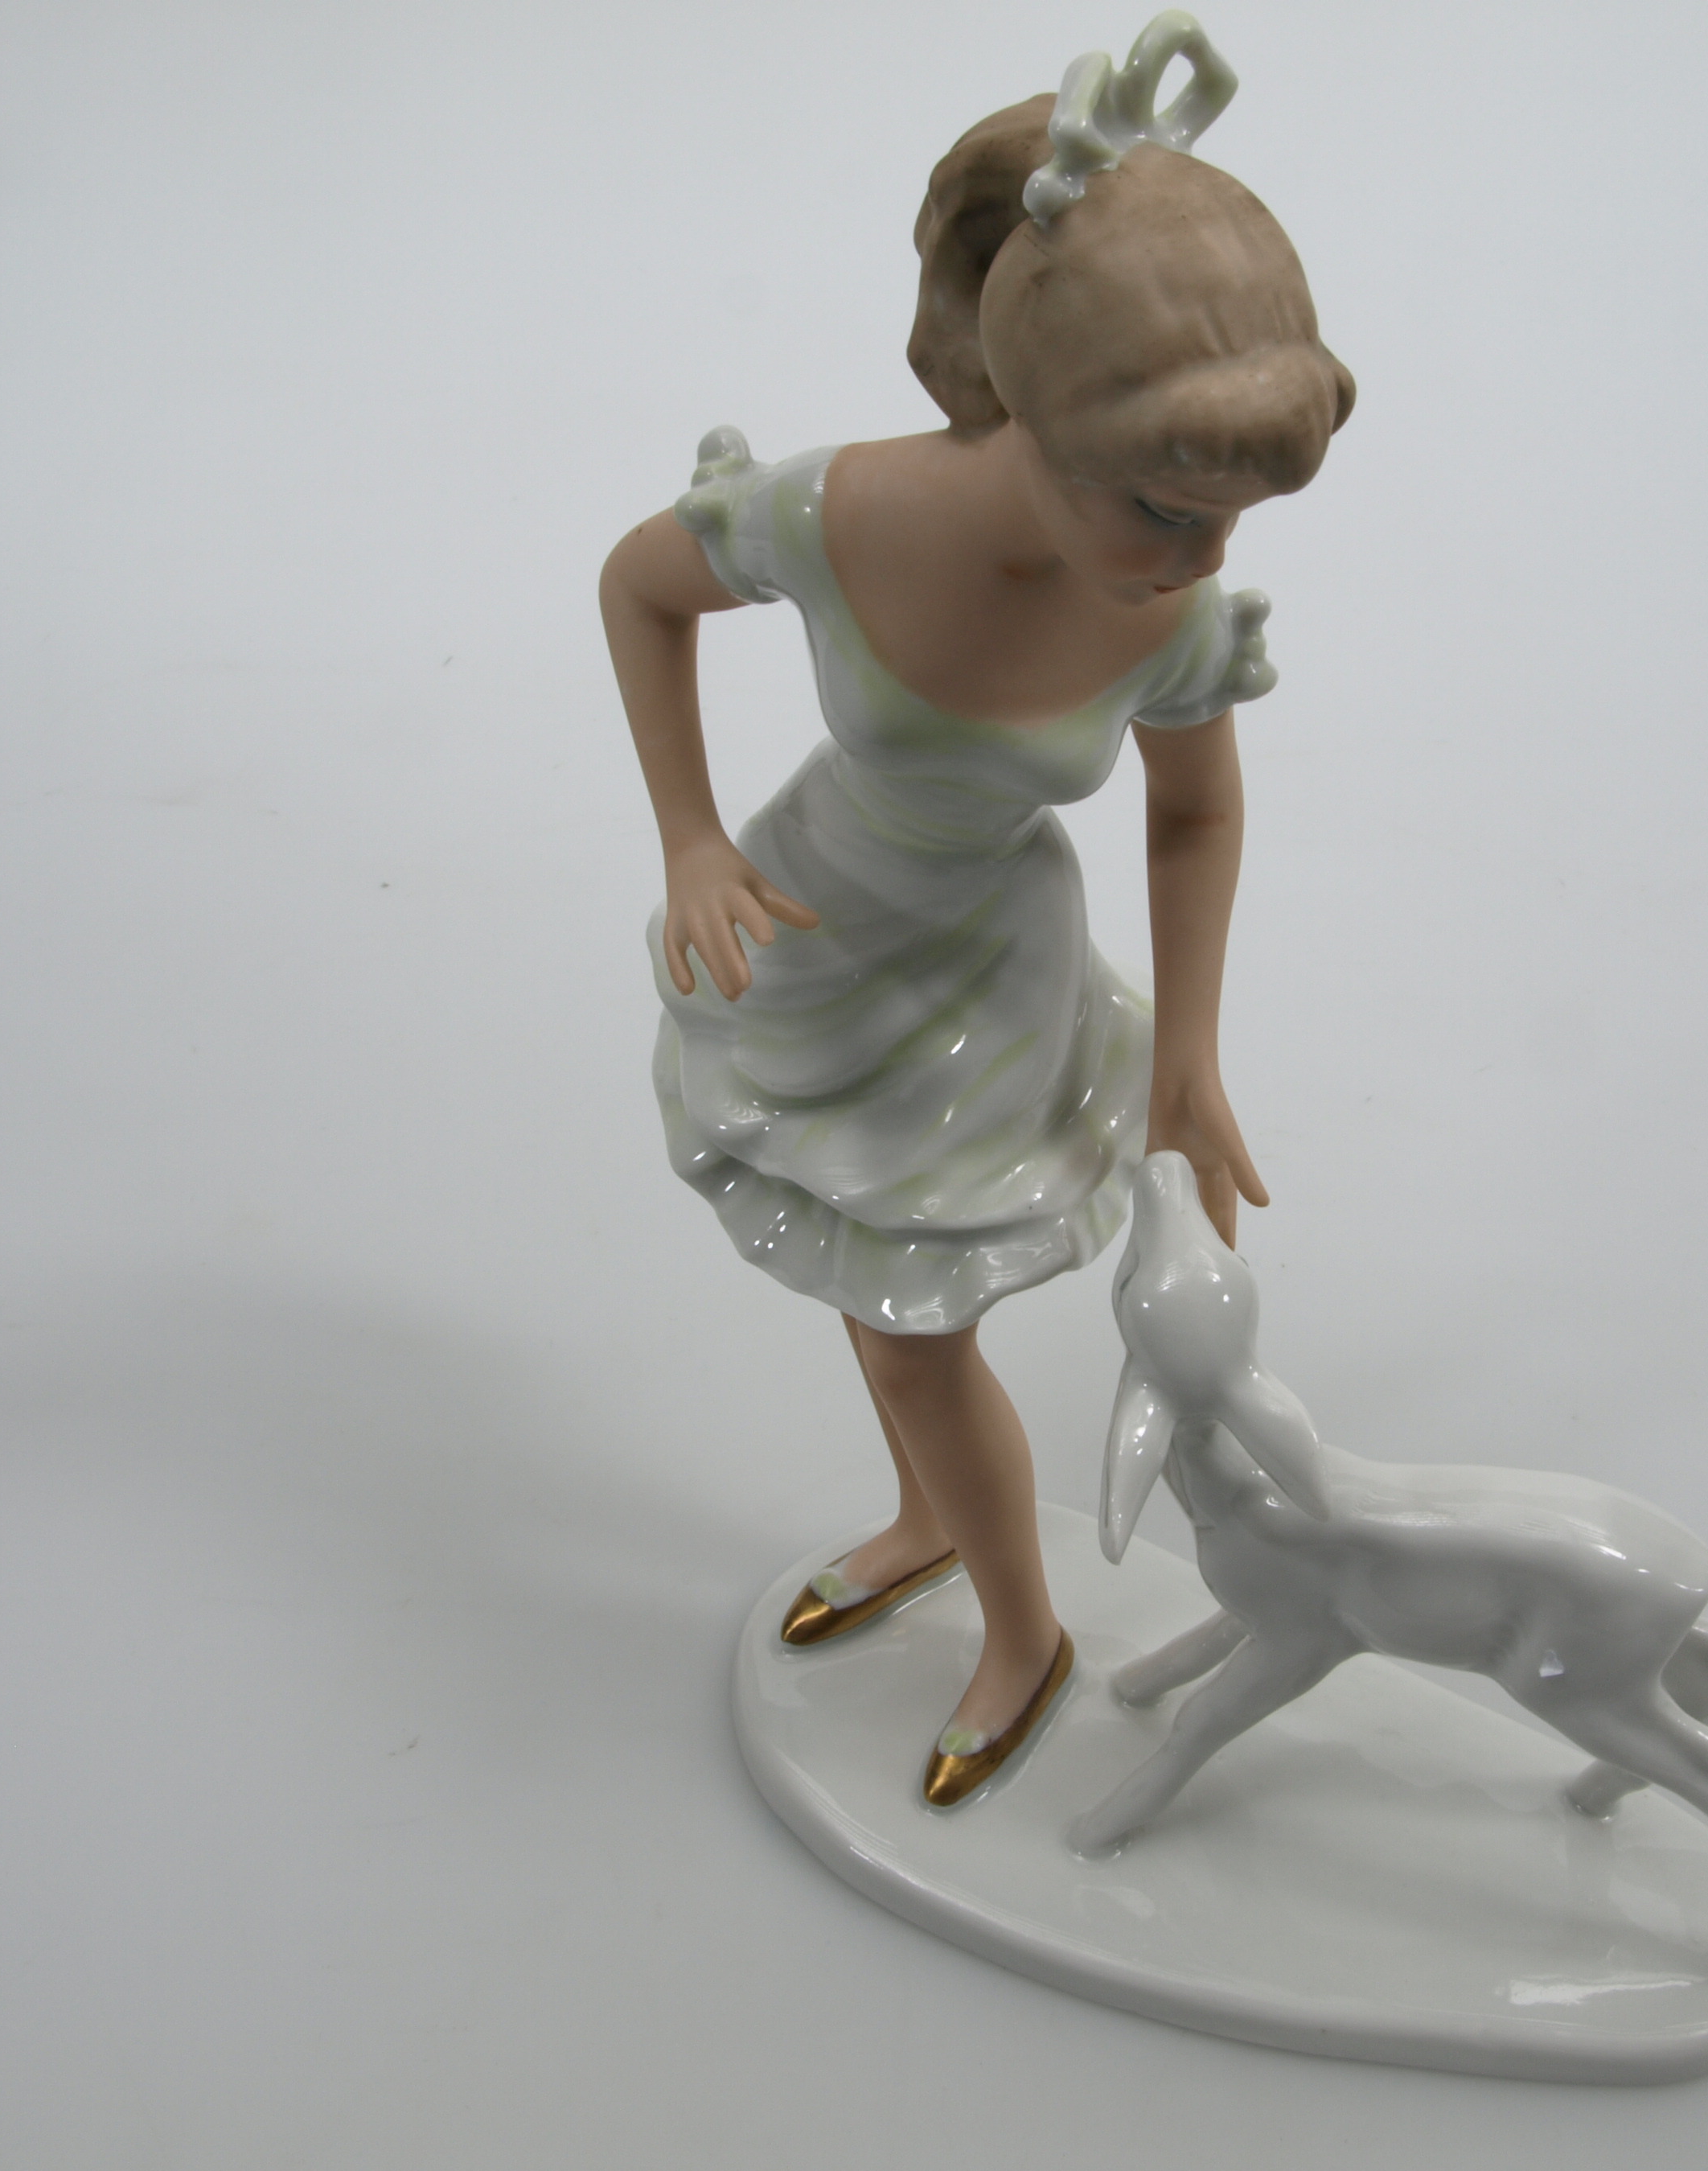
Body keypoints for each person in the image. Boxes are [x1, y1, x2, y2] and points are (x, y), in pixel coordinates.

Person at [599, 15, 1353, 1807]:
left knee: (913, 1329)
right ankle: (941, 1531)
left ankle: (1019, 1628)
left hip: (986, 981)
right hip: (817, 931)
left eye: (1229, 523)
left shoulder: (1169, 616)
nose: (1198, 559)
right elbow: (639, 589)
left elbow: (1195, 805)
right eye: (1161, 507)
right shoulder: (839, 512)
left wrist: (1190, 1052)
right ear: (1039, 414)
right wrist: (689, 838)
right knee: (879, 1299)